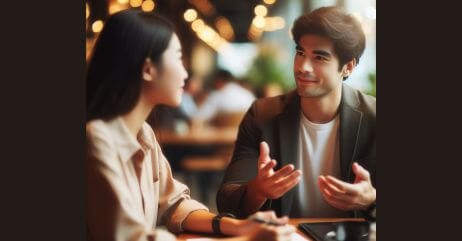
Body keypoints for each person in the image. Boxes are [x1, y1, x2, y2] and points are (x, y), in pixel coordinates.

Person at [86, 9, 295, 241]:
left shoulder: (143, 133)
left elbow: (173, 204)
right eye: (177, 57)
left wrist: (239, 227)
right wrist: (248, 239)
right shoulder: (97, 139)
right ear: (148, 69)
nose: (185, 73)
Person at [217, 6, 376, 220]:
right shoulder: (262, 115)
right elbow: (226, 202)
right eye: (300, 53)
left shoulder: (374, 117)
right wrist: (258, 190)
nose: (303, 67)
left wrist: (371, 199)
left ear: (348, 67)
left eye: (319, 58)